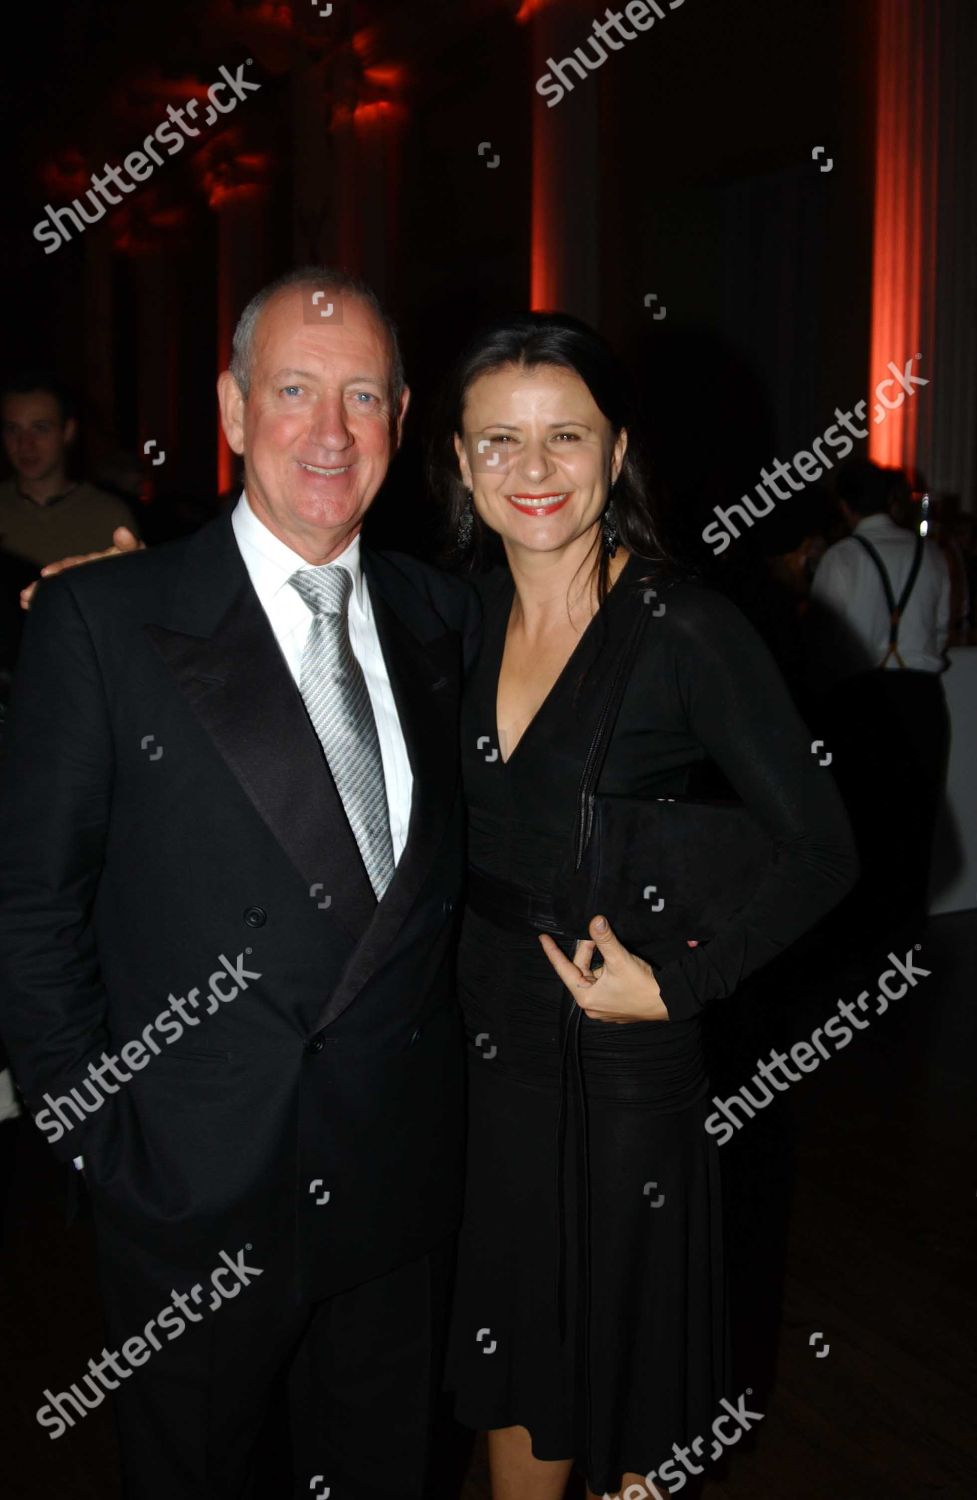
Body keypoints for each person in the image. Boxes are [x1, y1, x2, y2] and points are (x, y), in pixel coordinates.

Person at [0, 268, 479, 1500]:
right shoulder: (104, 621)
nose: (329, 432)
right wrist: (100, 1141)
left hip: (391, 1191)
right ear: (229, 407)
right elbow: (32, 908)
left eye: (362, 395)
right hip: (190, 1198)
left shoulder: (445, 617)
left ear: (402, 416)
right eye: (294, 391)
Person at [428, 314, 858, 1500]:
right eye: (499, 442)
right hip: (479, 1058)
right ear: (459, 462)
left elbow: (821, 850)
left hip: (615, 1072)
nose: (532, 469)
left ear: (615, 453)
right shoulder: (450, 620)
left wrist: (678, 983)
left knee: (620, 1406)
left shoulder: (684, 628)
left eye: (564, 436)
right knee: (514, 1377)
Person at [807, 458, 951, 938]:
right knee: (918, 821)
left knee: (861, 822)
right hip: (924, 700)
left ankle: (862, 939)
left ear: (845, 505)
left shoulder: (841, 558)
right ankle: (907, 938)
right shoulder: (933, 555)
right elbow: (940, 631)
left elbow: (825, 646)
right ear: (891, 501)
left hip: (863, 702)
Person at [0, 373, 139, 570]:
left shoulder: (110, 516)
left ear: (68, 431)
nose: (25, 444)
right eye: (13, 430)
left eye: (40, 428)